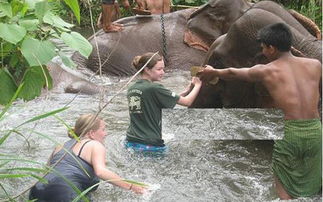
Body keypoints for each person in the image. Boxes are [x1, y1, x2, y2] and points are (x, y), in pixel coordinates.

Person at [197, 23, 322, 199]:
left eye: (264, 48)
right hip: (315, 131)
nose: (263, 52)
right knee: (312, 182)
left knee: (283, 183)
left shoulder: (267, 71)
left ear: (271, 48)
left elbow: (233, 73)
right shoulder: (316, 65)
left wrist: (213, 72)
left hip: (289, 132)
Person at [29, 114, 146, 201]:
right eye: (103, 129)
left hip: (36, 191)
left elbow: (44, 173)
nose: (105, 133)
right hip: (66, 193)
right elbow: (101, 172)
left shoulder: (60, 147)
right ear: (91, 133)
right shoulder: (94, 144)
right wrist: (131, 186)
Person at [126, 52, 202, 152]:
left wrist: (187, 90)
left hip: (131, 141)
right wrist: (198, 85)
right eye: (159, 69)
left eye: (163, 69)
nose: (163, 72)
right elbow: (187, 102)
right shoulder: (155, 88)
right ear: (147, 70)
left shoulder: (132, 88)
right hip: (150, 145)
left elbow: (165, 99)